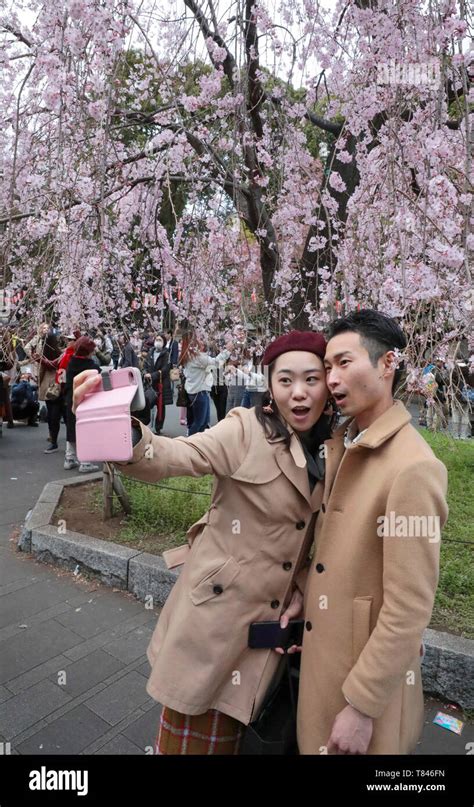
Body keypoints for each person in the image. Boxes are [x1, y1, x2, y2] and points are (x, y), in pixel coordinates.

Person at [72, 330, 333, 754]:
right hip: (216, 623)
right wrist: (119, 429)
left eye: (311, 379)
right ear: (269, 385)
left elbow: (321, 536)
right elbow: (178, 455)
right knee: (192, 737)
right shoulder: (244, 430)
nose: (299, 393)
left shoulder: (330, 448)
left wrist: (303, 582)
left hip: (270, 636)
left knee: (243, 741)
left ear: (328, 383)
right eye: (285, 380)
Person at [297, 309, 449, 755]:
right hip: (326, 663)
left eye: (345, 362)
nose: (333, 380)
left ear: (388, 364)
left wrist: (362, 707)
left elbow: (409, 606)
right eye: (327, 368)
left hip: (358, 688)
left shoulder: (414, 468)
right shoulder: (347, 443)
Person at [180, 334, 233, 435]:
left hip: (195, 391)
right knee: (200, 422)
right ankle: (191, 443)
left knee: (201, 422)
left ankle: (195, 442)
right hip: (199, 392)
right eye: (199, 339)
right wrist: (228, 351)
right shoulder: (197, 357)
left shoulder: (189, 355)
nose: (202, 341)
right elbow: (215, 363)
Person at [64, 336, 100, 473]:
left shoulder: (71, 363)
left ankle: (69, 459)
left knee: (72, 429)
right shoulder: (92, 367)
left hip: (70, 400)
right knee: (85, 431)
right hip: (86, 403)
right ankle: (85, 462)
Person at [144, 334, 173, 435]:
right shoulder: (150, 352)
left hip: (161, 383)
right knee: (147, 404)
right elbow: (145, 365)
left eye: (160, 340)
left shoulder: (166, 354)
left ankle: (158, 427)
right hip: (150, 383)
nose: (158, 341)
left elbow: (165, 369)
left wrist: (152, 375)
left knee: (161, 405)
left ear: (164, 342)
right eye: (156, 339)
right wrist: (145, 373)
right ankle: (146, 425)